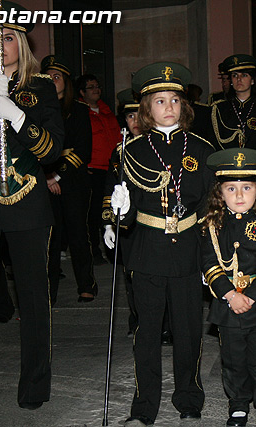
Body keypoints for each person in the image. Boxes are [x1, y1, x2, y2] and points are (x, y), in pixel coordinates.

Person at [0, 2, 63, 424]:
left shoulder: (42, 86)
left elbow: (51, 149)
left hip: (28, 203)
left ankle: (34, 387)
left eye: (7, 36)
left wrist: (17, 116)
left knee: (33, 297)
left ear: (21, 42)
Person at [109, 62, 214, 427]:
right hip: (147, 251)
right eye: (158, 100)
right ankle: (144, 405)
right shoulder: (130, 150)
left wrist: (209, 256)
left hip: (187, 250)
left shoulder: (202, 148)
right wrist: (119, 213)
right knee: (147, 334)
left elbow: (208, 205)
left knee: (188, 331)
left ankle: (188, 395)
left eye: (174, 99)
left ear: (184, 106)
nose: (167, 106)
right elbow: (124, 211)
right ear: (146, 110)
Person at [201, 147, 256, 427]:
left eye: (246, 187)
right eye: (231, 188)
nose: (238, 195)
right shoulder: (211, 224)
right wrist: (229, 295)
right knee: (233, 360)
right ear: (219, 193)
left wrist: (250, 297)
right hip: (227, 306)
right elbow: (209, 263)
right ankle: (237, 404)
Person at [41, 55, 97, 305]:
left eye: (57, 77)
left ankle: (86, 285)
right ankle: (47, 292)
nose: (52, 81)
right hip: (44, 182)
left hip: (72, 182)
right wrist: (46, 176)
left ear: (66, 82)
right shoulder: (36, 108)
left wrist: (56, 174)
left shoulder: (79, 110)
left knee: (77, 234)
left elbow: (82, 151)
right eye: (47, 76)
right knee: (50, 239)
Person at [104, 88, 140, 337]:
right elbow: (111, 187)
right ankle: (137, 319)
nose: (135, 122)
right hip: (128, 223)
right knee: (131, 274)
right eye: (130, 116)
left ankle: (166, 325)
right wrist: (108, 223)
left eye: (139, 115)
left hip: (154, 220)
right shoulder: (120, 151)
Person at [77, 73, 121, 265]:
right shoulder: (80, 112)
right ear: (82, 92)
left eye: (97, 86)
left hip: (111, 169)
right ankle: (93, 250)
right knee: (93, 214)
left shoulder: (107, 111)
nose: (96, 90)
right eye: (91, 87)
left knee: (114, 210)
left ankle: (114, 251)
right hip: (92, 169)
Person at [210, 54, 256, 172]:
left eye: (244, 75)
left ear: (252, 80)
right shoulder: (219, 109)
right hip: (227, 169)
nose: (239, 79)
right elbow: (214, 144)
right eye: (235, 76)